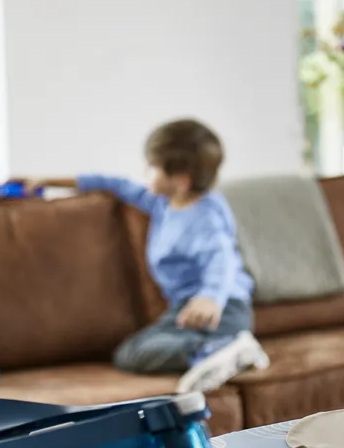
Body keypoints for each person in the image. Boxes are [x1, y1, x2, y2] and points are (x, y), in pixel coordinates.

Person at [20, 118, 268, 395]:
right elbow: (115, 183)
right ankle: (221, 352)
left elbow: (221, 258)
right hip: (188, 312)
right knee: (132, 352)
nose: (146, 172)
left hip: (220, 310)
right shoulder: (163, 203)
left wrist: (210, 297)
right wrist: (48, 181)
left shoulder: (204, 217)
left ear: (181, 180)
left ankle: (219, 348)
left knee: (131, 355)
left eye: (153, 167)